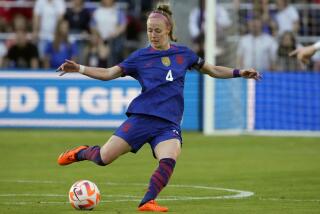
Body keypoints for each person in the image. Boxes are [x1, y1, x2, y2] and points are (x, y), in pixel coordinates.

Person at [56, 3, 261, 212]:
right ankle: (81, 152)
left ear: (168, 31)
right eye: (149, 30)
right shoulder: (140, 57)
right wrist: (79, 68)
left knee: (169, 157)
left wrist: (239, 72)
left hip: (168, 124)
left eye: (157, 30)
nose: (152, 35)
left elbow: (213, 69)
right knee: (103, 158)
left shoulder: (184, 54)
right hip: (142, 118)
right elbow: (109, 73)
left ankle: (147, 201)